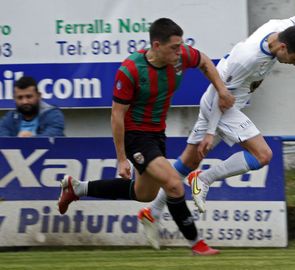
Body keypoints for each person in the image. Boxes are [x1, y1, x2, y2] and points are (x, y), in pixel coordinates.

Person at [139, 16, 295, 247]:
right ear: (282, 47)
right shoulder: (248, 59)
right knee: (263, 155)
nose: (294, 64)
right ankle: (204, 179)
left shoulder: (280, 31)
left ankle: (153, 212)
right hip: (221, 106)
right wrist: (210, 132)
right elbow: (222, 98)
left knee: (189, 160)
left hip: (224, 103)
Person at [57, 18, 234, 255]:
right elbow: (117, 116)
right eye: (173, 47)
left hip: (157, 134)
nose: (179, 52)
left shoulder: (180, 56)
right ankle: (196, 244)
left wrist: (222, 90)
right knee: (173, 184)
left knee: (145, 194)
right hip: (136, 137)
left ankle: (77, 189)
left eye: (181, 46)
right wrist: (121, 158)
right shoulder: (130, 71)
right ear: (157, 45)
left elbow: (203, 61)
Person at [0, 76, 65, 137]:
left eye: (29, 97)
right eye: (20, 98)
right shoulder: (10, 117)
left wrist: (31, 139)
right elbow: (2, 139)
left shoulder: (54, 115)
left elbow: (51, 138)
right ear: (14, 99)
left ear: (39, 96)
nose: (25, 101)